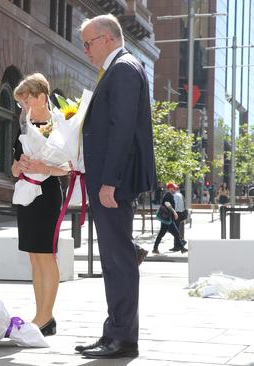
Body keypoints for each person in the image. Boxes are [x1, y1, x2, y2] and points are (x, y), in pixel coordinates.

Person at [75, 14, 155, 359]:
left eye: (88, 42)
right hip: (108, 180)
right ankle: (114, 332)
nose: (86, 50)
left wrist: (110, 181)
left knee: (118, 260)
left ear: (107, 38)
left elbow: (122, 130)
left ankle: (122, 338)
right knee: (113, 259)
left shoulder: (123, 68)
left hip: (113, 183)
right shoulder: (120, 68)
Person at [11, 73, 69, 336]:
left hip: (47, 196)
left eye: (25, 100)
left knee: (47, 255)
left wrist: (43, 166)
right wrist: (20, 164)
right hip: (26, 193)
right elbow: (12, 169)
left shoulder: (60, 125)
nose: (22, 106)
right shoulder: (24, 126)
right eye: (20, 101)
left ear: (41, 97)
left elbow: (67, 168)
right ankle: (41, 315)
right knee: (35, 257)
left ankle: (46, 316)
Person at [153, 182, 187, 254]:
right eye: (173, 188)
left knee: (164, 234)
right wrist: (174, 212)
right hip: (167, 219)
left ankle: (155, 248)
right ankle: (182, 248)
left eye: (175, 188)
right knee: (175, 233)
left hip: (167, 219)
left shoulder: (168, 195)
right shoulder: (168, 195)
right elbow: (167, 204)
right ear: (169, 188)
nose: (174, 189)